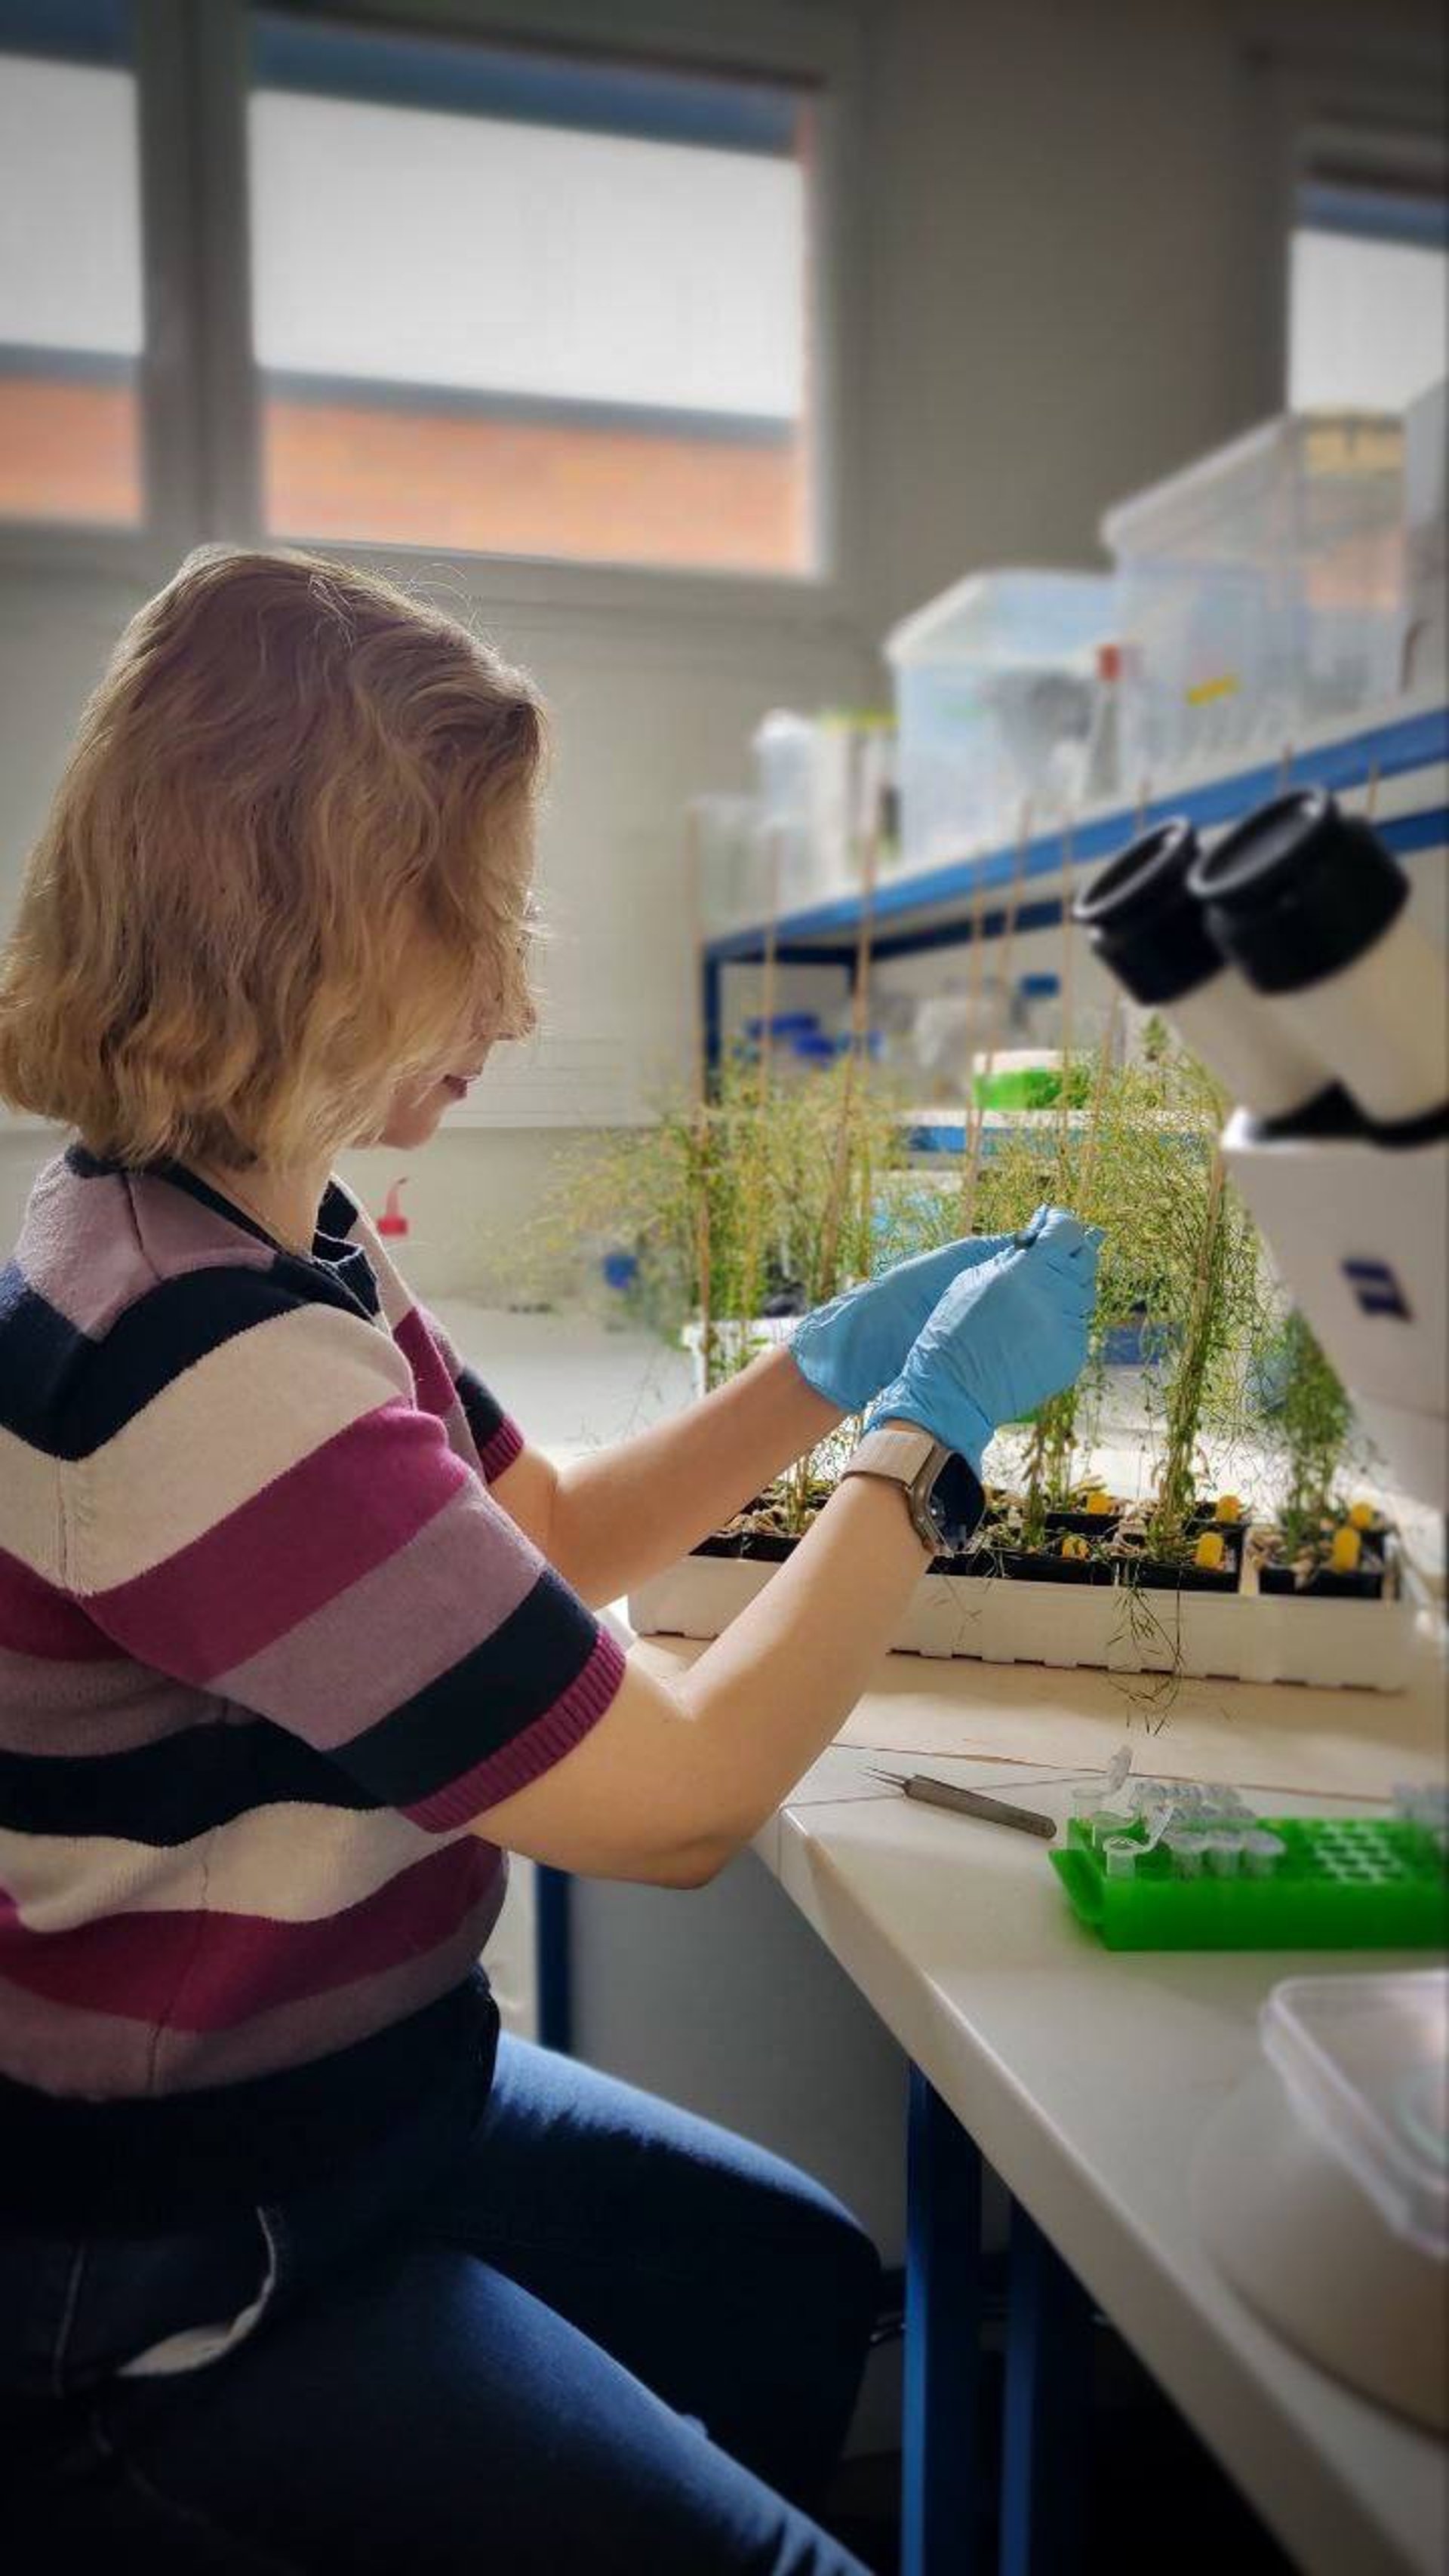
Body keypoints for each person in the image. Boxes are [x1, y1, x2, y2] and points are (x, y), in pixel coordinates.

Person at [0, 547, 1097, 2573]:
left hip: (370, 2103)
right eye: (476, 922)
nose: (514, 997)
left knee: (788, 2284)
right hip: (184, 2263)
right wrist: (928, 1447)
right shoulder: (189, 1354)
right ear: (313, 921)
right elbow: (675, 1806)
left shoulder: (266, 1231)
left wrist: (822, 1368)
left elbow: (556, 1535)